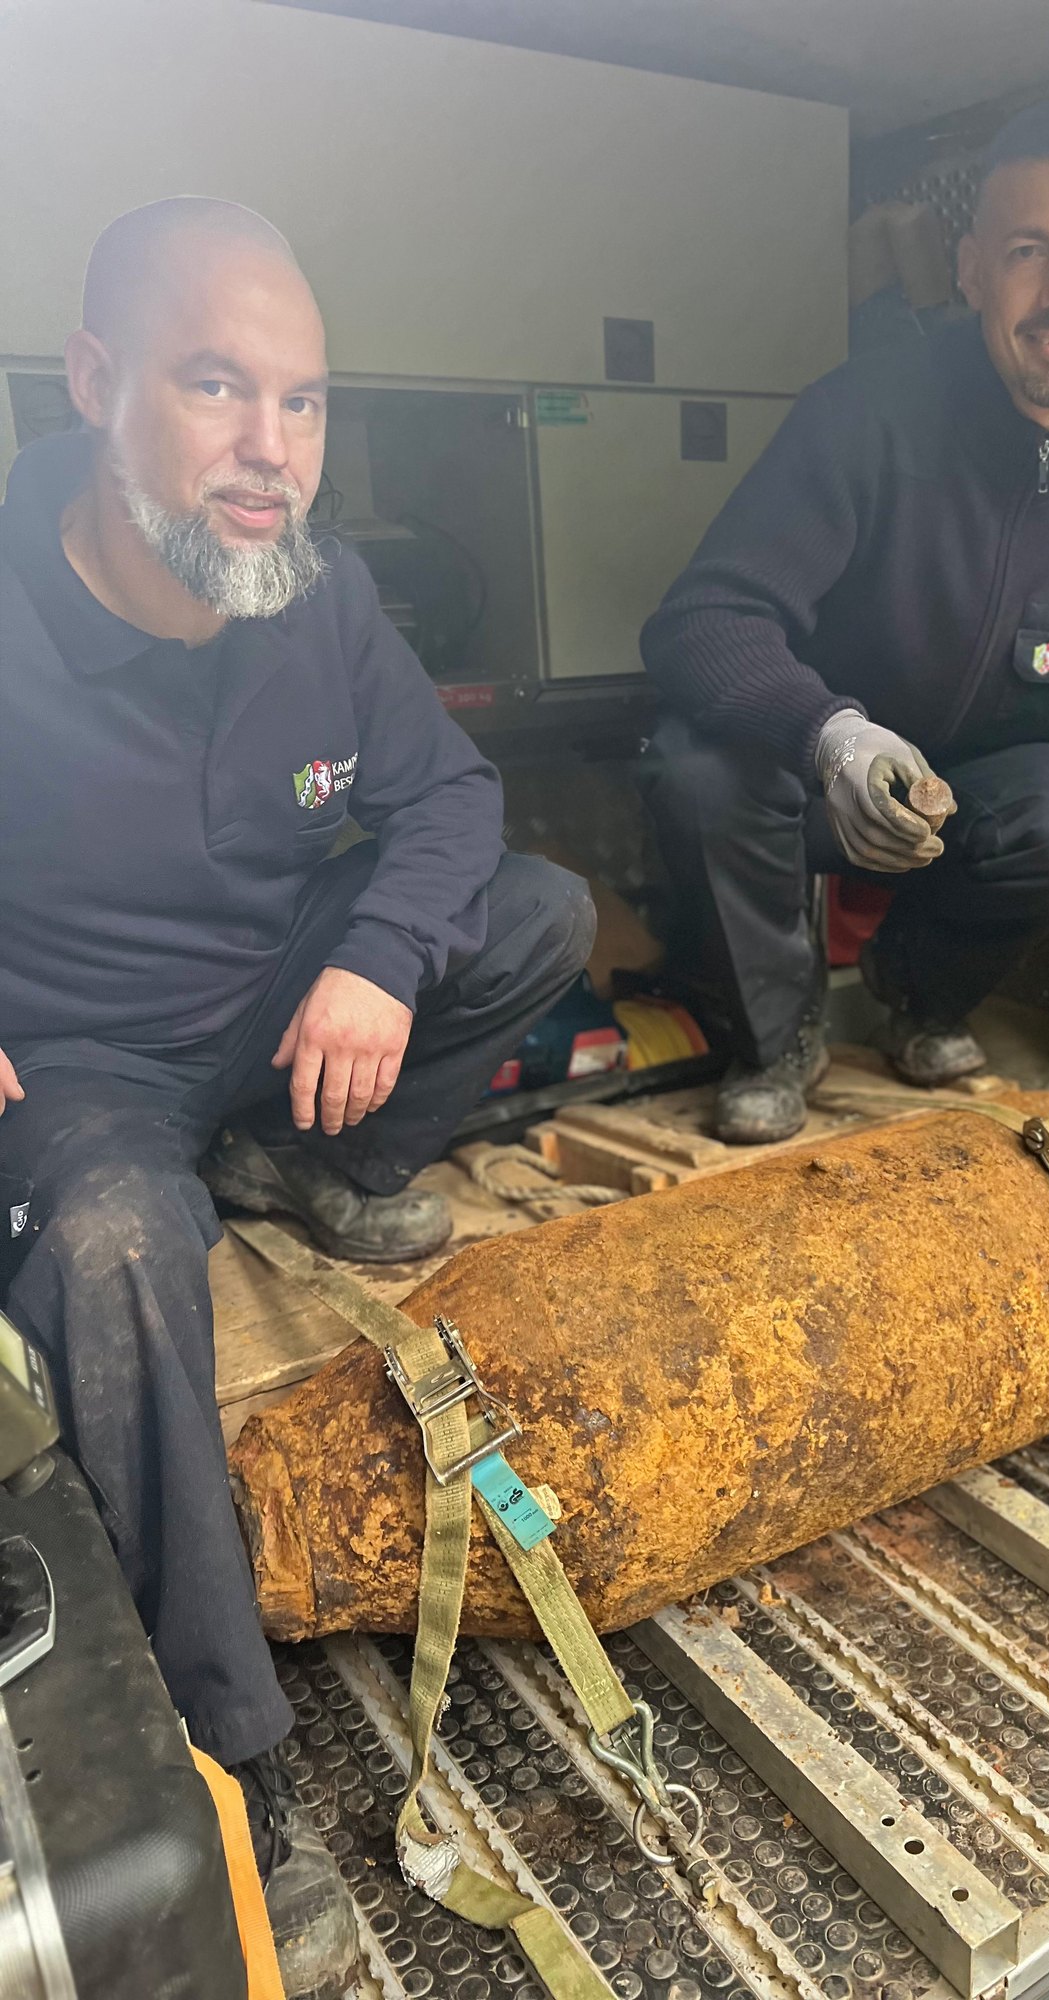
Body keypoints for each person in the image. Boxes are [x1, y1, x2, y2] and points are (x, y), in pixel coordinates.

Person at [0, 198, 594, 1995]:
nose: (273, 449)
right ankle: (231, 1763)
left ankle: (312, 1155)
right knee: (115, 1244)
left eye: (307, 402)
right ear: (96, 381)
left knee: (537, 916)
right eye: (216, 386)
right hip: (79, 1067)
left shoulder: (316, 595)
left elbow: (452, 798)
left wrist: (378, 959)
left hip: (262, 1016)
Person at [641, 100, 1049, 1143]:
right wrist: (833, 737)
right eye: (1028, 251)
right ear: (974, 269)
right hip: (812, 778)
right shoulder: (862, 419)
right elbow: (702, 620)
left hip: (975, 798)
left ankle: (919, 994)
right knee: (695, 769)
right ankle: (776, 1038)